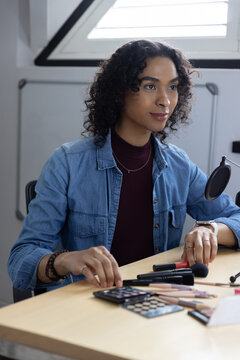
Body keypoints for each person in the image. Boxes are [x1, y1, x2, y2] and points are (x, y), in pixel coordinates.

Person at [8, 40, 240, 292]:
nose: (165, 101)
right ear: (120, 91)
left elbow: (235, 216)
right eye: (150, 86)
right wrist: (64, 260)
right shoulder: (67, 162)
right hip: (85, 305)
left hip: (155, 301)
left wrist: (211, 228)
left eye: (172, 87)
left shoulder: (178, 164)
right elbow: (21, 257)